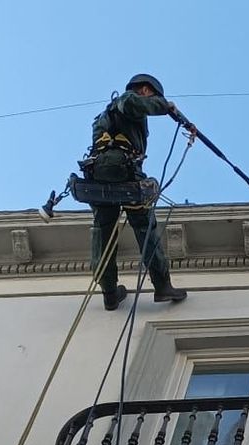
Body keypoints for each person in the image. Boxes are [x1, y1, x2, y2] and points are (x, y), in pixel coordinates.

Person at [82, 74, 197, 310]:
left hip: (100, 177)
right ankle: (162, 285)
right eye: (153, 96)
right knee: (145, 226)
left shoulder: (107, 115)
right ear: (146, 90)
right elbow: (133, 104)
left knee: (103, 233)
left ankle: (109, 292)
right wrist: (166, 106)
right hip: (123, 173)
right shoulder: (127, 100)